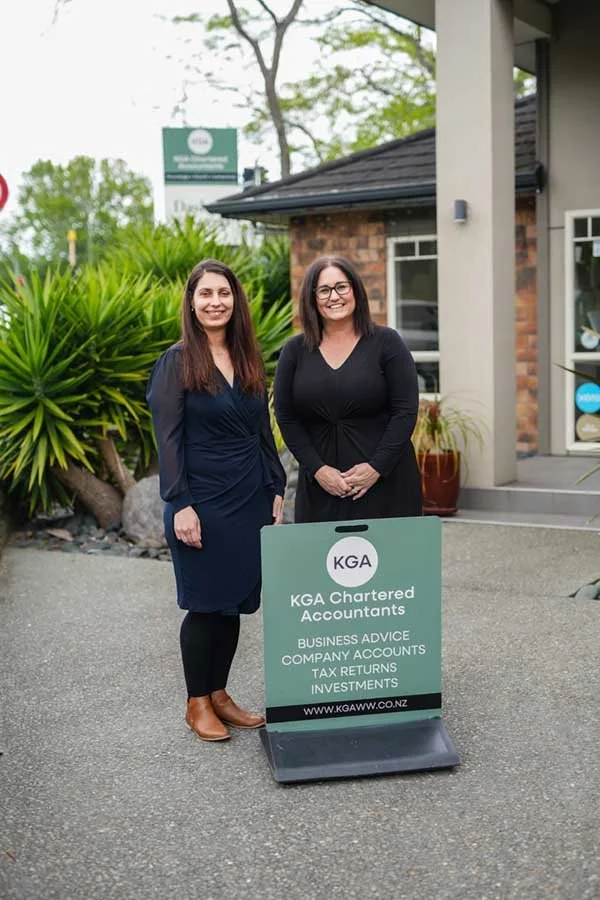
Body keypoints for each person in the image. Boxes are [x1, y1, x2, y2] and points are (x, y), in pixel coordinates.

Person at [147, 259, 286, 742]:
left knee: (232, 604)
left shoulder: (248, 358)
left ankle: (221, 695)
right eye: (205, 294)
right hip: (201, 501)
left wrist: (277, 484)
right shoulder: (177, 362)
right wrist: (179, 502)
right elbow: (167, 439)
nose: (215, 302)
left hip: (249, 496)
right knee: (205, 605)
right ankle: (196, 702)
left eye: (223, 294)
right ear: (191, 302)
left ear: (235, 300)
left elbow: (261, 431)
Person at [274, 255, 421, 523]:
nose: (334, 296)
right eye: (324, 290)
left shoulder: (387, 342)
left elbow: (406, 411)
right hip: (322, 489)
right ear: (312, 298)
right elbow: (286, 417)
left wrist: (376, 467)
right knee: (322, 564)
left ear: (355, 290)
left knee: (393, 564)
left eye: (341, 287)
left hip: (387, 486)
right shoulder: (294, 352)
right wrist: (318, 470)